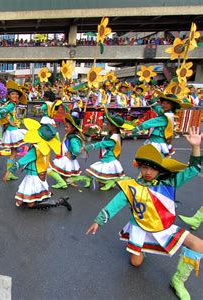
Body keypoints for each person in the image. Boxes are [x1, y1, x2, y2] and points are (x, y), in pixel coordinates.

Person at [86, 127, 202, 300]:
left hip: (162, 225)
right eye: (145, 167)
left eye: (153, 168)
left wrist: (195, 147)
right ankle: (142, 249)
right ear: (139, 167)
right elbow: (115, 203)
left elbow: (193, 170)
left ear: (160, 169)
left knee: (198, 245)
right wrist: (98, 221)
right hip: (139, 226)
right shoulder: (131, 185)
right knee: (136, 263)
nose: (148, 172)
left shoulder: (169, 182)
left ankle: (178, 281)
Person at [3, 118, 71, 210]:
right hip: (38, 173)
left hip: (34, 176)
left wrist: (9, 171)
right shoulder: (44, 147)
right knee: (20, 201)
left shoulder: (36, 149)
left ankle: (59, 201)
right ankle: (42, 198)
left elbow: (21, 161)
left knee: (30, 204)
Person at [84, 108, 134, 190]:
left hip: (109, 161)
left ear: (114, 126)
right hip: (108, 159)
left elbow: (101, 144)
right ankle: (108, 183)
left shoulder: (113, 138)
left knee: (90, 172)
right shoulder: (116, 136)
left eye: (108, 124)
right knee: (100, 177)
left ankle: (109, 182)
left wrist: (89, 147)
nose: (106, 125)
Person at [132, 92, 190, 157]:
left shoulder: (165, 117)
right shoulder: (166, 112)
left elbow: (149, 123)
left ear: (172, 106)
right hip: (158, 139)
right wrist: (150, 99)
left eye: (168, 103)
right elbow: (157, 108)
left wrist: (135, 129)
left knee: (153, 157)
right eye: (163, 103)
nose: (164, 105)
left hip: (157, 141)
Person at [47, 114, 87, 189]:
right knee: (66, 177)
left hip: (67, 159)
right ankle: (84, 179)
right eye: (65, 126)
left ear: (73, 128)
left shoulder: (73, 138)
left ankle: (61, 183)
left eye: (67, 127)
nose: (65, 128)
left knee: (48, 168)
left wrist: (72, 155)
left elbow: (77, 150)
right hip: (67, 159)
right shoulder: (70, 135)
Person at [1, 80, 27, 181]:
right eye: (13, 94)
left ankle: (10, 172)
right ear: (9, 96)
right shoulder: (11, 104)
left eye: (16, 94)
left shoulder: (12, 104)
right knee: (14, 152)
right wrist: (9, 121)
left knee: (14, 152)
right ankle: (9, 172)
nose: (15, 95)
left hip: (12, 130)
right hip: (12, 130)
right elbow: (2, 111)